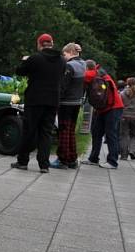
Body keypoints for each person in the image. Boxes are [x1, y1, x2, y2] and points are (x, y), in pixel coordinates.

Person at [11, 33, 65, 173]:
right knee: (46, 133)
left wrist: (25, 61)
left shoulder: (35, 58)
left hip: (35, 100)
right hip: (53, 100)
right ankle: (44, 165)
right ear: (51, 44)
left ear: (40, 44)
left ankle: (23, 161)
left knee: (29, 130)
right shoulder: (62, 60)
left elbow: (20, 71)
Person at [80, 61, 124, 169]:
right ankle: (93, 158)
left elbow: (83, 76)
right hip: (104, 108)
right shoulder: (100, 73)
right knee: (96, 132)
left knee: (110, 134)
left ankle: (112, 162)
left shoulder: (93, 73)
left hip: (113, 107)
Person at [50, 42, 85, 169]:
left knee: (63, 131)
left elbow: (63, 86)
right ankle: (72, 158)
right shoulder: (83, 64)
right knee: (70, 131)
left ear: (70, 52)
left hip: (66, 103)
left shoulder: (69, 66)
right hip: (77, 102)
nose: (63, 57)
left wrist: (55, 100)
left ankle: (62, 159)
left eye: (64, 54)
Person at [119, 77, 135, 160]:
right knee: (133, 135)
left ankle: (124, 155)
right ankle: (132, 150)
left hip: (124, 116)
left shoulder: (122, 93)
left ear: (127, 83)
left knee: (124, 135)